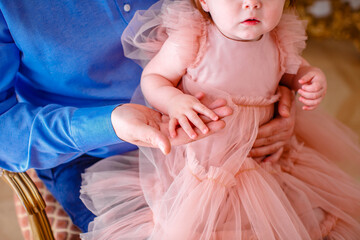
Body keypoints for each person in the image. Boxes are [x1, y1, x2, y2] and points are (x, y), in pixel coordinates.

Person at [0, 0, 296, 233]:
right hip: (94, 155)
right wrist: (108, 124)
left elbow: (247, 37)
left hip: (222, 137)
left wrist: (278, 95)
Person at [80, 0, 360, 239]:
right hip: (207, 164)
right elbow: (155, 78)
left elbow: (290, 72)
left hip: (264, 159)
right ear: (204, 1)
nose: (252, 3)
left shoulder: (279, 40)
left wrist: (308, 79)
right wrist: (174, 100)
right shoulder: (194, 39)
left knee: (287, 218)